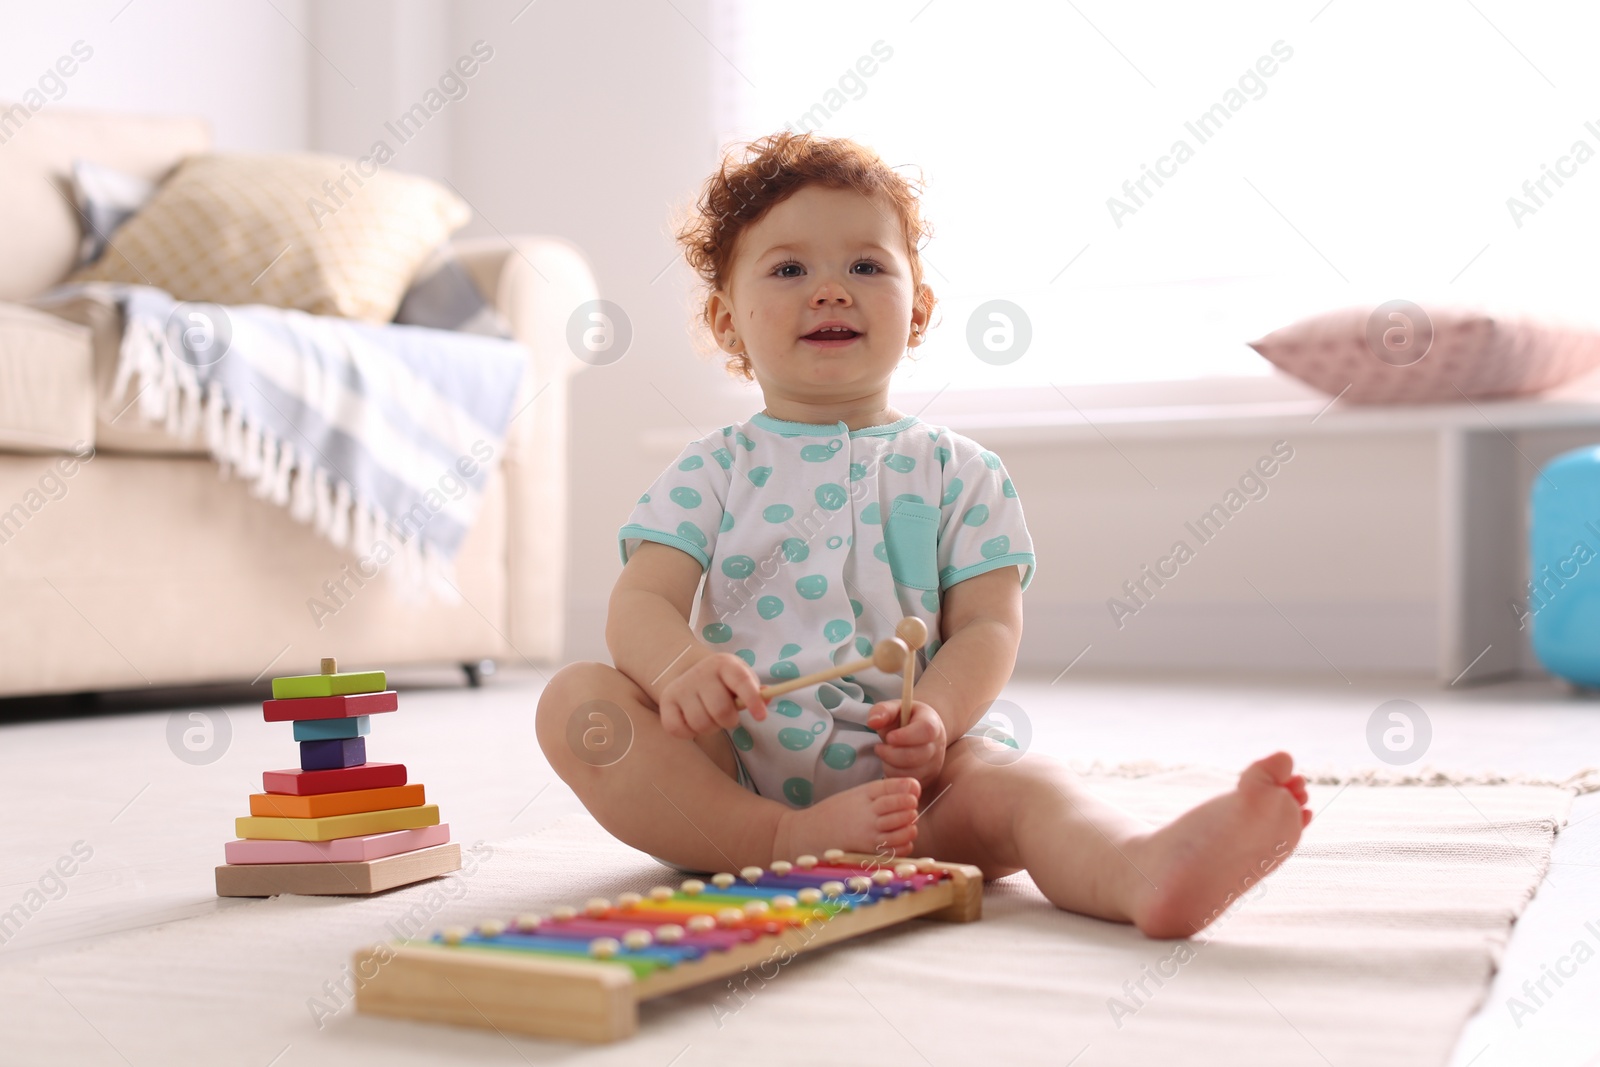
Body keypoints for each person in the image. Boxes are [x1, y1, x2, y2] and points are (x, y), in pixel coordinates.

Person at [536, 131, 1310, 938]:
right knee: (577, 704)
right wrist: (681, 666)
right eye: (790, 268)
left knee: (1022, 788)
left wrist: (938, 716)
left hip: (917, 789)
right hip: (732, 769)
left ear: (920, 312)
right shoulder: (711, 468)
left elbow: (988, 623)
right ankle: (772, 841)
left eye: (866, 266)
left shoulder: (959, 470)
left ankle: (1138, 868)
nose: (832, 289)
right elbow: (641, 600)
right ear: (728, 323)